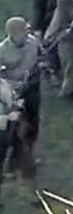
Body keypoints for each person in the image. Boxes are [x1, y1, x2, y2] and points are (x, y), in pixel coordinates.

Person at [0, 17, 41, 185]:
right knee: (13, 129)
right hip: (12, 94)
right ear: (13, 35)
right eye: (23, 31)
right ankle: (11, 163)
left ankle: (27, 156)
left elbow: (42, 55)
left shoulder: (33, 42)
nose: (27, 33)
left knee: (33, 122)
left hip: (32, 88)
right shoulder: (2, 51)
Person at [44, 0, 73, 98]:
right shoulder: (60, 15)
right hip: (66, 45)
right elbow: (56, 33)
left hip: (72, 42)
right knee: (71, 67)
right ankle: (68, 92)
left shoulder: (66, 12)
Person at [0, 75, 21, 207]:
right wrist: (7, 118)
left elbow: (11, 98)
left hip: (5, 131)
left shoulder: (3, 83)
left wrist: (17, 104)